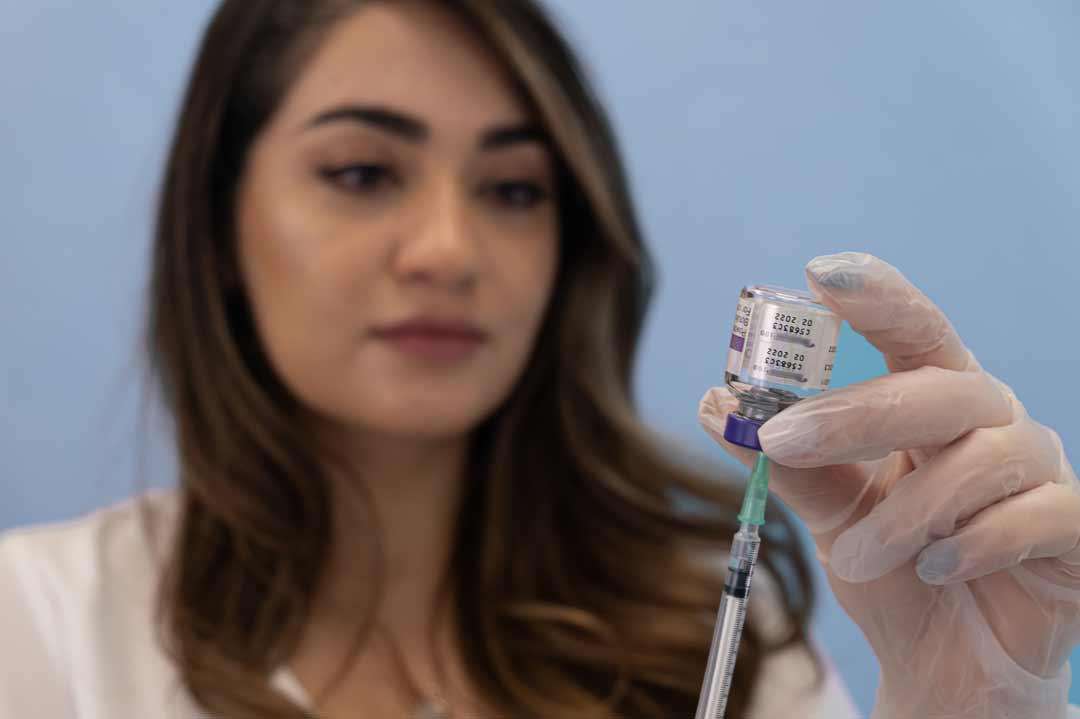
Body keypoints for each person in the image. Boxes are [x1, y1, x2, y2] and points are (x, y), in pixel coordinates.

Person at [1, 1, 1077, 718]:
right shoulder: (40, 625)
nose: (449, 250)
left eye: (514, 189)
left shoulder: (714, 637)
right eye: (363, 171)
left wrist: (967, 705)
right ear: (218, 222)